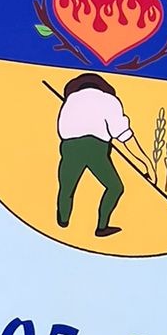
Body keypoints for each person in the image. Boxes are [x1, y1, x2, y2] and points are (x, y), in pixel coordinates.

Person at [54, 72, 153, 239]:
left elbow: (62, 129)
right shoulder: (109, 101)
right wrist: (144, 162)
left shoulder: (70, 101)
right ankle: (102, 227)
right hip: (96, 148)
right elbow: (123, 134)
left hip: (69, 147)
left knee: (66, 188)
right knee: (115, 187)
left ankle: (63, 221)